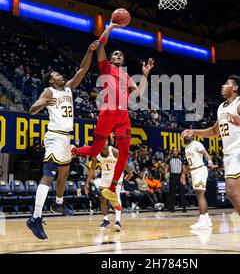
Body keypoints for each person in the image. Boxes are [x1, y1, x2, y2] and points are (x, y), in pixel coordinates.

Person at [181, 74, 240, 254]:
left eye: (226, 84)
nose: (222, 86)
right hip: (230, 155)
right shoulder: (221, 107)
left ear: (234, 88)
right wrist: (194, 131)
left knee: (231, 191)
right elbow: (214, 131)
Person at [72, 21, 154, 210]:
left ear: (123, 60)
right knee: (94, 151)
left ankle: (112, 186)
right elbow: (101, 46)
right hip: (108, 112)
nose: (117, 55)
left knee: (124, 153)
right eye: (115, 53)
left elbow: (139, 94)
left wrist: (146, 75)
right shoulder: (106, 68)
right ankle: (74, 150)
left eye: (120, 54)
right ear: (111, 58)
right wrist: (110, 27)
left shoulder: (126, 76)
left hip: (123, 115)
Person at [26, 40, 98, 240]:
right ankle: (35, 218)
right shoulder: (49, 92)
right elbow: (33, 108)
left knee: (64, 172)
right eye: (56, 74)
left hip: (66, 139)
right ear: (51, 80)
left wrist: (89, 50)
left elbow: (83, 69)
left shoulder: (67, 89)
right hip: (55, 137)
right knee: (48, 176)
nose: (60, 75)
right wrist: (41, 104)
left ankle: (58, 203)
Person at [85, 141, 132, 232]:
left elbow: (123, 162)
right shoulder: (96, 153)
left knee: (116, 195)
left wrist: (130, 172)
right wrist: (87, 183)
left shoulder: (114, 151)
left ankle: (118, 221)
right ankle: (106, 220)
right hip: (105, 176)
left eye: (105, 140)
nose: (104, 142)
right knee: (102, 198)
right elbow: (92, 169)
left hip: (116, 175)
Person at [183, 135, 214, 229]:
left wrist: (210, 162)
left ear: (192, 137)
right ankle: (207, 220)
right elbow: (190, 163)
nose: (185, 136)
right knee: (201, 195)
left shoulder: (196, 143)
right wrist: (183, 174)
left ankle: (202, 220)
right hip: (194, 171)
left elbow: (204, 152)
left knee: (200, 195)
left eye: (187, 135)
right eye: (184, 135)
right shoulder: (187, 148)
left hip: (199, 170)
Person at [165, 148, 187, 212]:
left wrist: (184, 176)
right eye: (174, 151)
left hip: (180, 176)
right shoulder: (169, 159)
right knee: (172, 193)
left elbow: (184, 168)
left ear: (178, 152)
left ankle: (184, 208)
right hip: (172, 176)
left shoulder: (181, 159)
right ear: (172, 152)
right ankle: (172, 208)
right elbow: (166, 167)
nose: (175, 152)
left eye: (176, 151)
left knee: (182, 192)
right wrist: (165, 174)